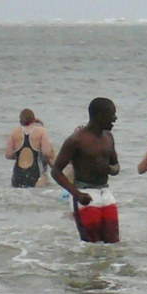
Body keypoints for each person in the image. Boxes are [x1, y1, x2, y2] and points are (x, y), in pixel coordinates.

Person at [50, 98, 121, 243]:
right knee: (91, 244)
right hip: (84, 194)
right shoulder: (76, 140)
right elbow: (56, 171)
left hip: (106, 194)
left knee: (113, 243)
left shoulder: (109, 137)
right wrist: (76, 194)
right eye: (112, 114)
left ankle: (113, 267)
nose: (115, 118)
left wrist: (109, 169)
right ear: (100, 115)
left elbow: (116, 167)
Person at [4, 109, 54, 188]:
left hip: (18, 174)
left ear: (20, 120)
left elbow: (8, 155)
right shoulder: (42, 131)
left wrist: (20, 156)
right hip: (34, 173)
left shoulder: (13, 132)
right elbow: (46, 153)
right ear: (33, 119)